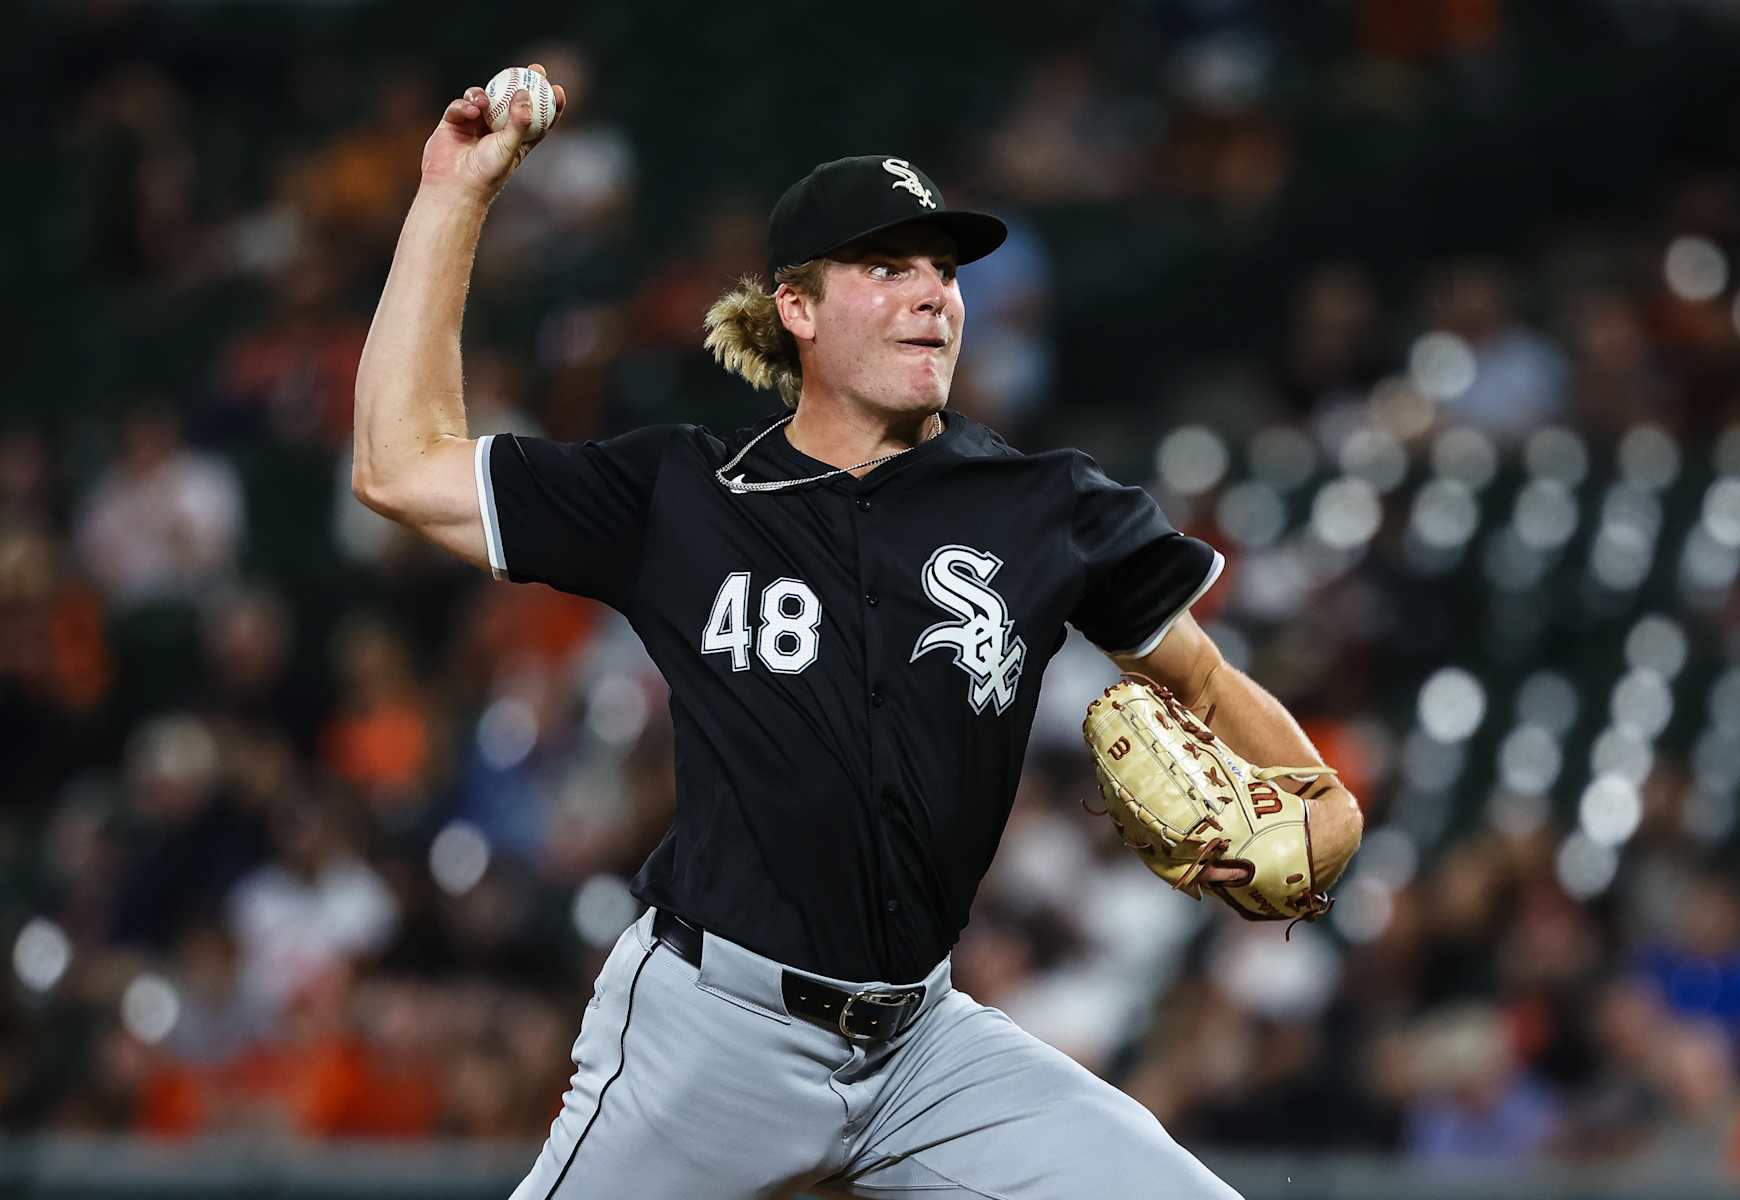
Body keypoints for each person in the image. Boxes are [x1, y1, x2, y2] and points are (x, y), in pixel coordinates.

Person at [353, 65, 1362, 1200]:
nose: (933, 292)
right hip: (711, 1036)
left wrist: (1317, 791)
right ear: (797, 307)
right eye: (887, 267)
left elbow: (1199, 672)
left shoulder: (1042, 505)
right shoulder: (683, 492)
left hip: (925, 1047)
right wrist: (453, 196)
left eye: (942, 269)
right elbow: (400, 466)